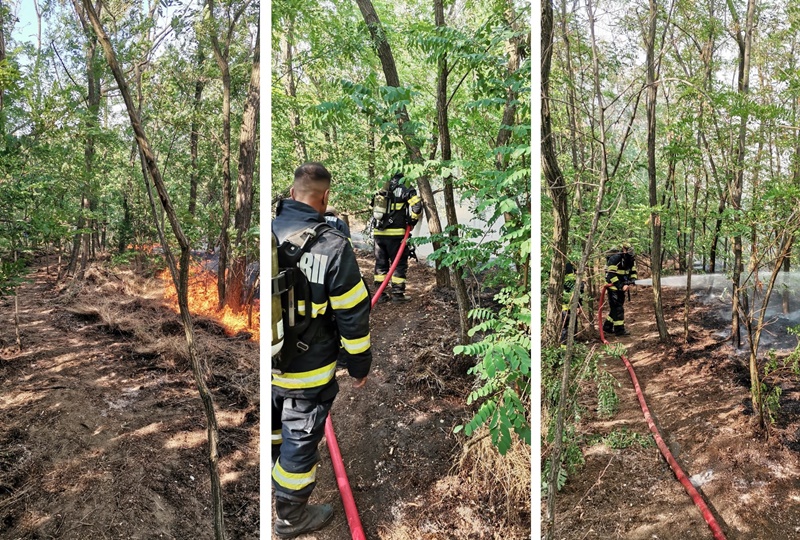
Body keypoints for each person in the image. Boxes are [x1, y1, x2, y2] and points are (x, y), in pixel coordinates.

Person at [271, 162, 372, 538]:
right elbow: (353, 315)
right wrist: (359, 364)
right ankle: (290, 518)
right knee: (300, 434)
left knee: (275, 429)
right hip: (307, 370)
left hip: (266, 363)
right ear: (325, 197)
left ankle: (274, 476)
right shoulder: (332, 246)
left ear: (292, 192)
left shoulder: (266, 233)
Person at [371, 172, 423, 302]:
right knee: (398, 263)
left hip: (379, 234)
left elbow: (373, 207)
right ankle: (397, 294)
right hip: (396, 234)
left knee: (380, 263)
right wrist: (412, 221)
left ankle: (380, 294)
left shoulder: (382, 188)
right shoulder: (406, 187)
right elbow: (417, 206)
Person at [602, 243, 637, 337]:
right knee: (618, 309)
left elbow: (633, 270)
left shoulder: (630, 259)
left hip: (622, 287)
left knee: (615, 308)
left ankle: (607, 327)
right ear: (624, 249)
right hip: (613, 287)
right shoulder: (615, 258)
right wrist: (621, 286)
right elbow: (611, 275)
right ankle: (619, 330)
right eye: (628, 250)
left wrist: (633, 279)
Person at [560, 261, 583, 342]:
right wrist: (580, 306)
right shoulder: (575, 281)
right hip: (572, 308)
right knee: (571, 327)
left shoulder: (560, 280)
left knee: (565, 328)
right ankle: (572, 346)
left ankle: (564, 348)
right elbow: (579, 294)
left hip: (564, 309)